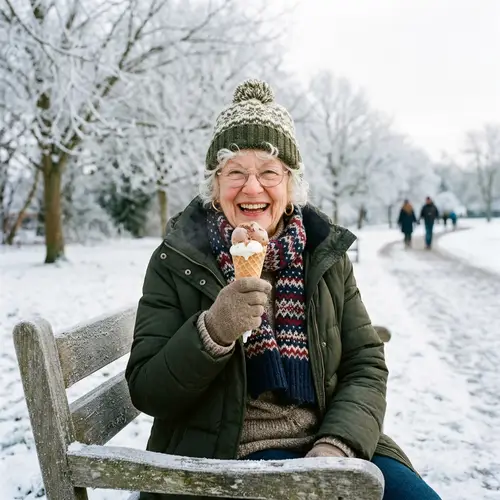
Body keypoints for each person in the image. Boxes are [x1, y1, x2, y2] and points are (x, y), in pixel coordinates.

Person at [126, 79, 441, 500]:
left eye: (269, 172)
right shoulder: (178, 260)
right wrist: (213, 331)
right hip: (227, 458)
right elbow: (148, 390)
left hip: (333, 440)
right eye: (235, 172)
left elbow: (365, 361)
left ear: (290, 185)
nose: (252, 188)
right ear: (215, 186)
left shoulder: (323, 255)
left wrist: (337, 444)